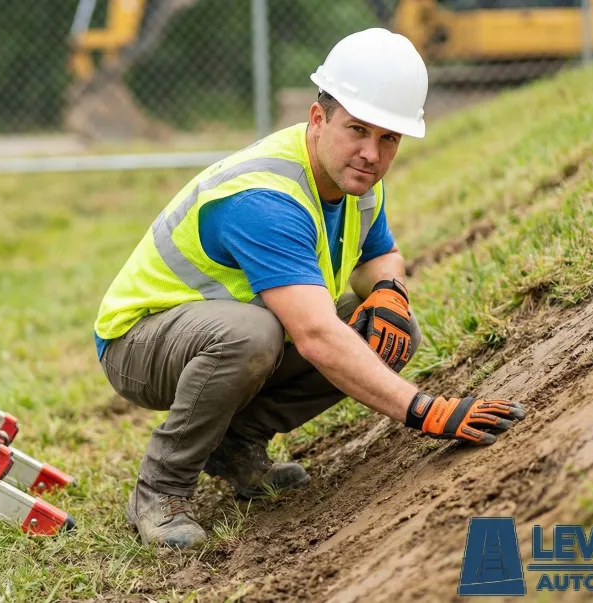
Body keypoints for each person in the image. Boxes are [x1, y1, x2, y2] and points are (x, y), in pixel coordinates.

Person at [92, 28, 527, 549]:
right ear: (318, 119)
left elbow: (379, 255)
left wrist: (389, 291)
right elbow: (317, 336)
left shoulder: (354, 178)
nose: (371, 153)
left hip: (227, 332)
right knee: (254, 335)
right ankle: (160, 490)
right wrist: (425, 411)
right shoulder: (265, 198)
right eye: (358, 130)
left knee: (387, 328)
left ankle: (236, 447)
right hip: (138, 344)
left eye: (388, 138)